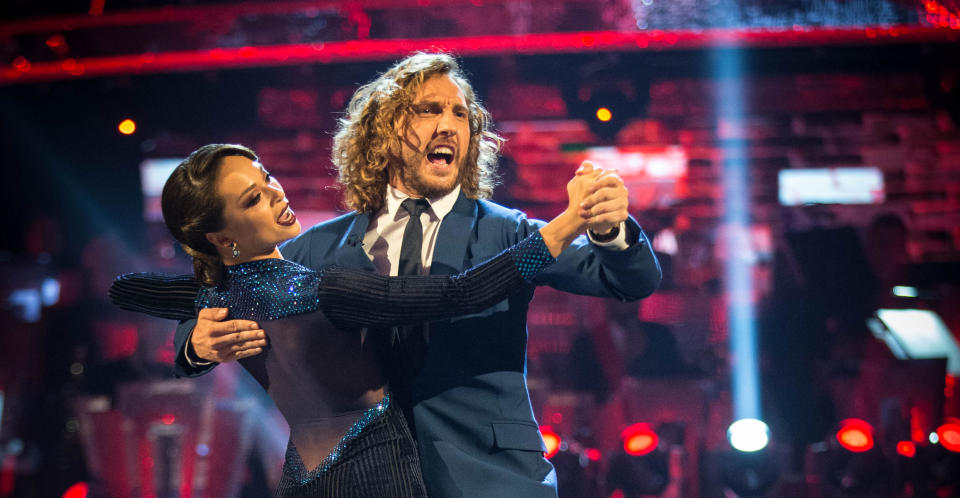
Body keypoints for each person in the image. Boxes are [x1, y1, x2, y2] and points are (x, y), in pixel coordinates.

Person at [177, 52, 661, 497]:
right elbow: (210, 303)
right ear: (385, 130)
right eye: (430, 110)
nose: (449, 125)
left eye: (460, 114)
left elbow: (628, 279)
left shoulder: (505, 231)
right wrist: (197, 345)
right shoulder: (318, 248)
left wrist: (609, 227)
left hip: (492, 479)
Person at [111, 143, 601, 496]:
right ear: (220, 237)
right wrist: (563, 228)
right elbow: (463, 293)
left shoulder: (215, 295)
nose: (275, 193)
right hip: (373, 471)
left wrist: (195, 345)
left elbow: (127, 288)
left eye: (265, 177)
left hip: (301, 478)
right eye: (253, 199)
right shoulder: (319, 290)